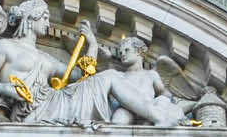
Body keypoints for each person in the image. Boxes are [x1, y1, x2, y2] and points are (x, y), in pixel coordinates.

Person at [27, 36, 188, 127]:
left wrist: (164, 103)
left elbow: (166, 94)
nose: (122, 54)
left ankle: (159, 118)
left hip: (146, 113)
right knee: (119, 121)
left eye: (127, 50)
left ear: (140, 53)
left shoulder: (151, 75)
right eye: (120, 52)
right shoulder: (119, 77)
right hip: (126, 112)